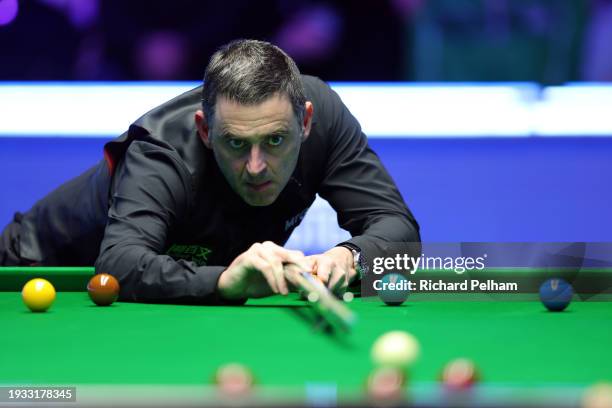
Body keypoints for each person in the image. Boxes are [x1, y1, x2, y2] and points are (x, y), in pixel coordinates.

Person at [0, 39, 420, 304]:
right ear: (204, 129)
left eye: (275, 141)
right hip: (33, 273)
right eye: (235, 143)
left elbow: (398, 228)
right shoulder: (162, 150)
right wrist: (223, 281)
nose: (256, 167)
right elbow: (120, 263)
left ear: (305, 123)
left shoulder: (324, 116)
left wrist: (350, 257)